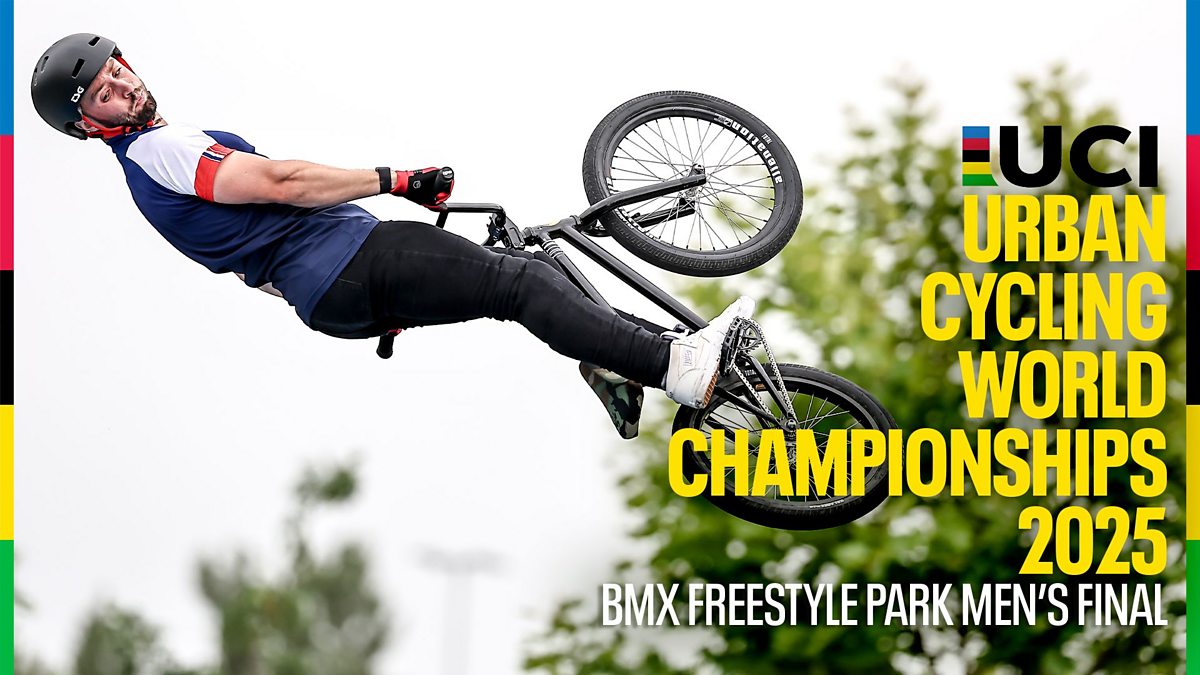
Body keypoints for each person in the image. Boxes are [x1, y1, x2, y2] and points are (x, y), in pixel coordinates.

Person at [30, 33, 754, 437]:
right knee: (520, 282)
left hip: (332, 287)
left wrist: (365, 303)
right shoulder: (159, 151)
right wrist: (396, 178)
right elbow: (283, 182)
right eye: (102, 93)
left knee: (518, 266)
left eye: (116, 70)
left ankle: (621, 361)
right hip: (346, 261)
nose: (122, 86)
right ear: (88, 125)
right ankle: (671, 365)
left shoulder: (148, 171)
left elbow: (250, 259)